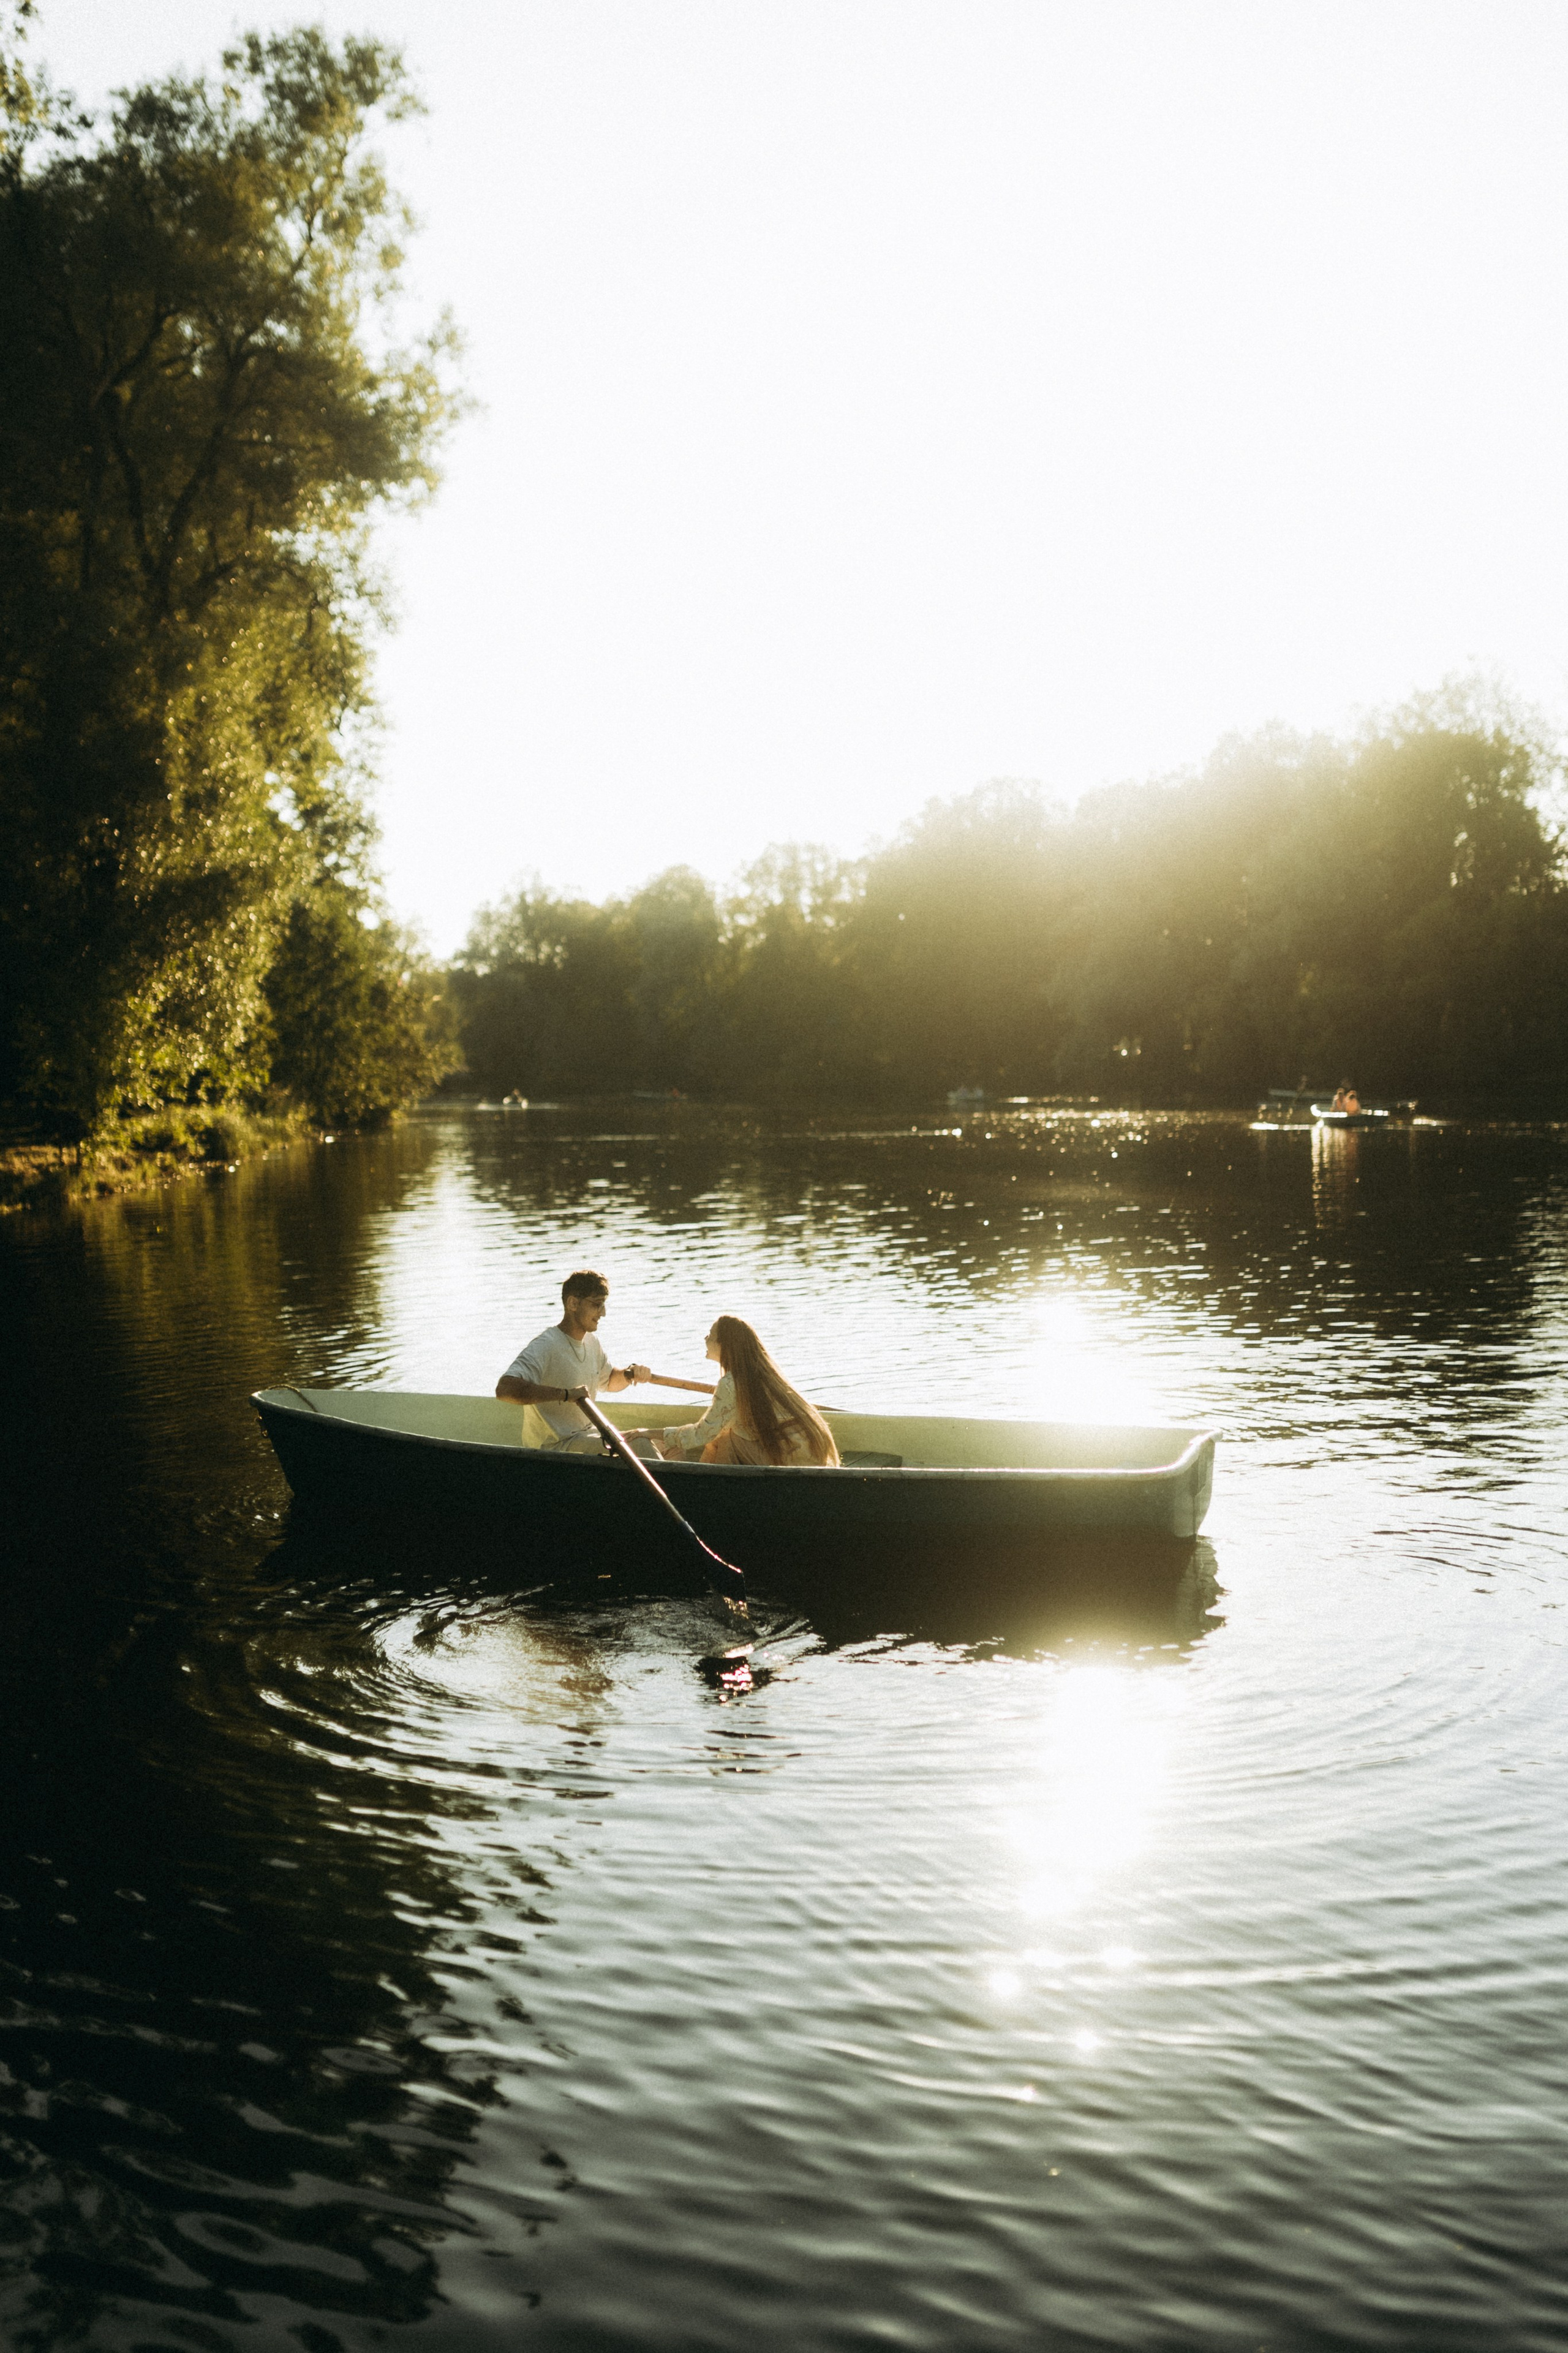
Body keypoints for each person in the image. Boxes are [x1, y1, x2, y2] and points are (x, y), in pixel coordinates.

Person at [495, 1270, 650, 1452]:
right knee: (641, 1445)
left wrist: (630, 1373)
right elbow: (505, 1389)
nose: (603, 1313)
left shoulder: (592, 1343)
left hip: (587, 1434)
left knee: (660, 1442)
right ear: (573, 1303)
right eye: (597, 1305)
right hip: (555, 1446)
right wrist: (566, 1395)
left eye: (603, 1305)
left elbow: (608, 1381)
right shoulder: (546, 1345)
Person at [665, 1315, 839, 1467]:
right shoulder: (763, 1372)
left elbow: (702, 1433)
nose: (705, 1338)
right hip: (810, 1451)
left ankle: (709, 1484)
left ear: (724, 1345)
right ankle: (707, 1478)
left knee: (726, 1437)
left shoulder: (731, 1383)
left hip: (797, 1458)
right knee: (724, 1434)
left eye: (710, 1335)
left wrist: (654, 1434)